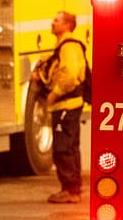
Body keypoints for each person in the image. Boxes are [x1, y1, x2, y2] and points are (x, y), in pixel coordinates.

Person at [35, 11, 88, 203]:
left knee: (63, 148)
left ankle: (71, 190)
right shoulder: (63, 46)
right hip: (66, 105)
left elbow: (70, 75)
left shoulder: (69, 46)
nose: (52, 23)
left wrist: (53, 94)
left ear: (67, 25)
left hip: (66, 104)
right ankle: (72, 188)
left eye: (57, 20)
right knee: (69, 146)